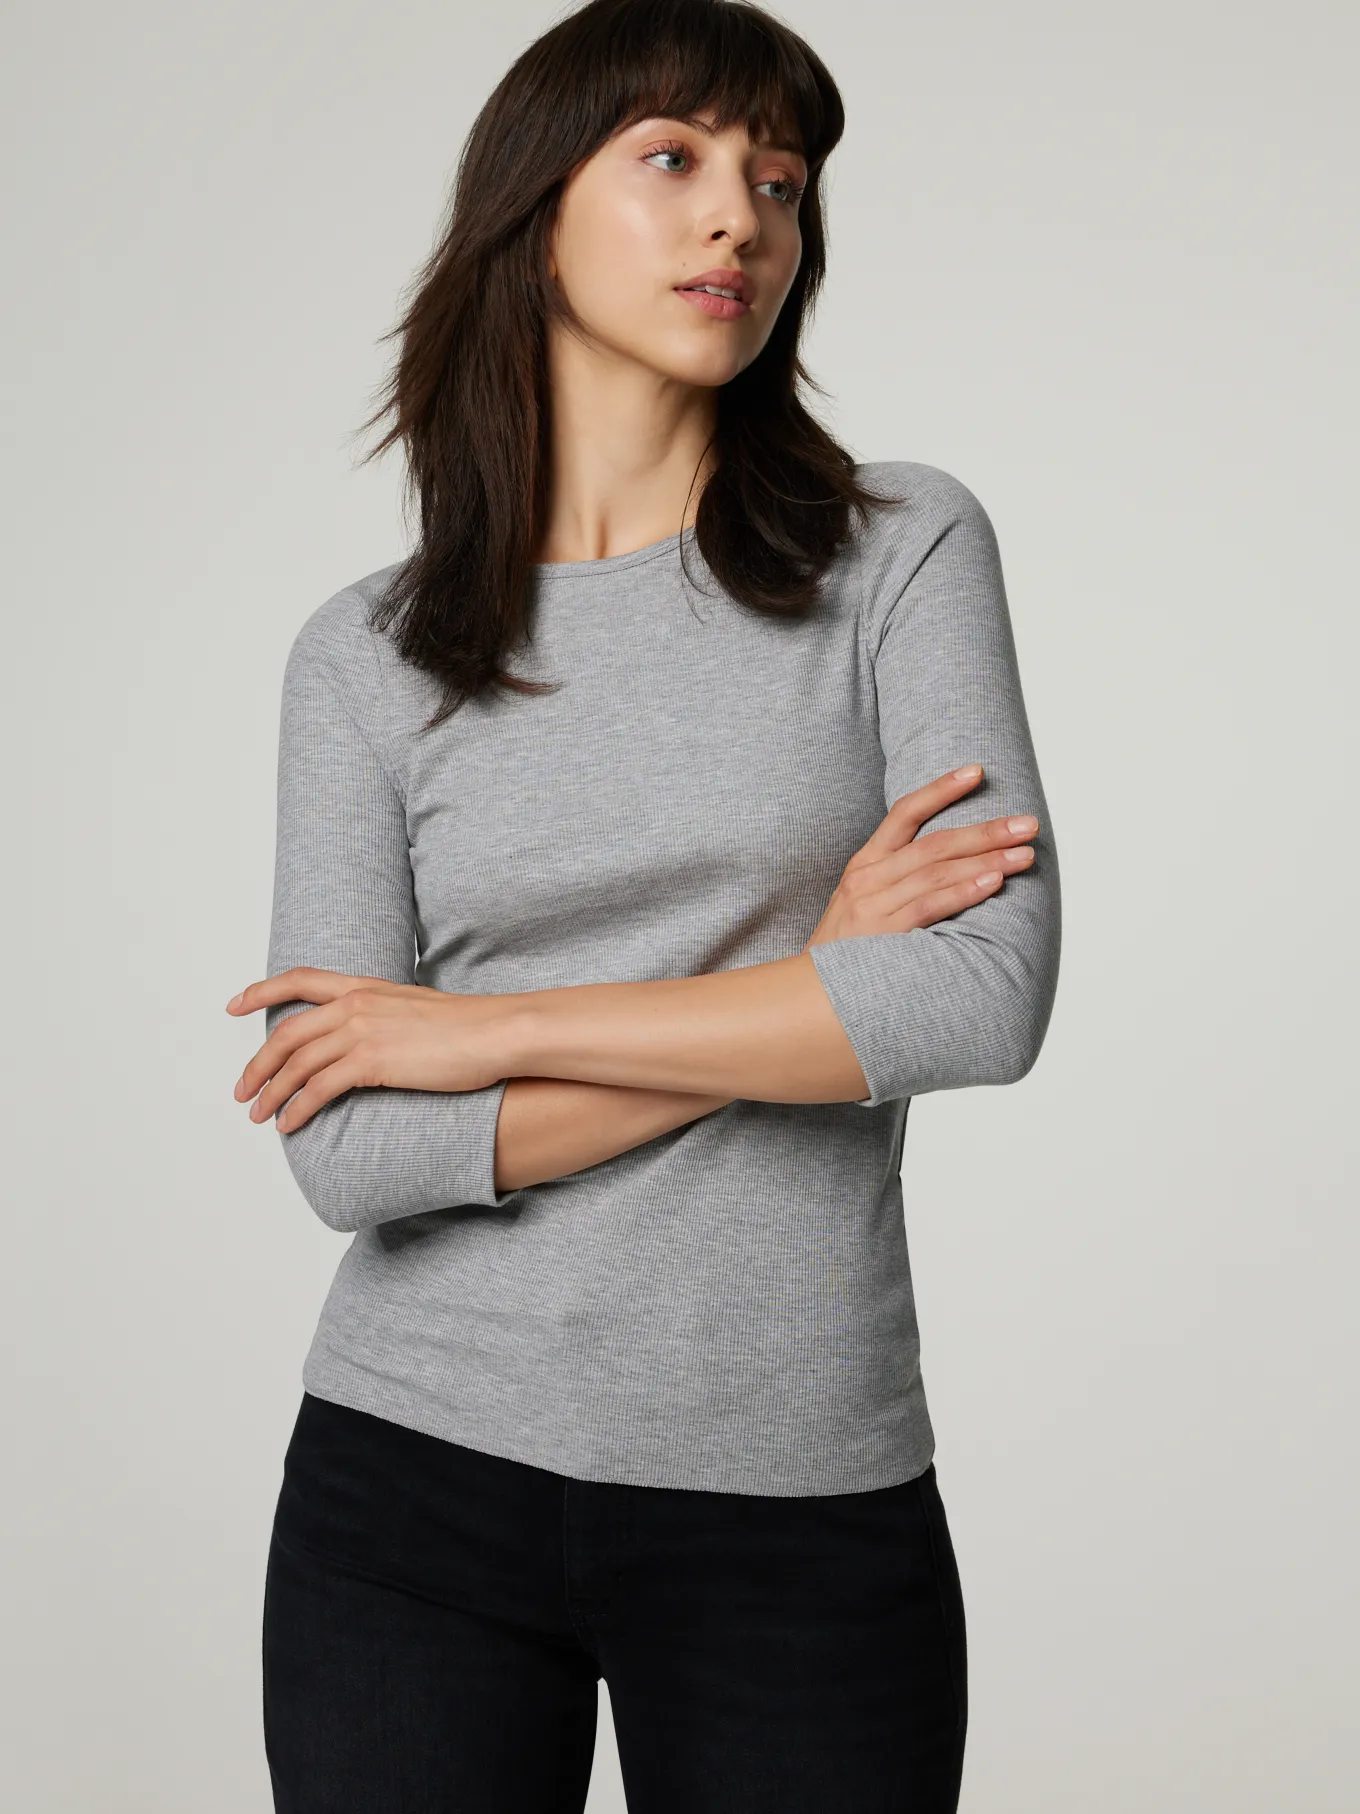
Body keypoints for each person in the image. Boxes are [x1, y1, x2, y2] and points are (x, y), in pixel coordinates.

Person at [227, 0, 1061, 1806]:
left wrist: (486, 1033)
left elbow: (978, 996)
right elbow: (351, 1150)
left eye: (782, 178)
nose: (741, 215)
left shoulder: (900, 552)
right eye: (674, 157)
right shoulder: (364, 658)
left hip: (796, 1494)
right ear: (535, 210)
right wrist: (808, 987)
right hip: (407, 1484)